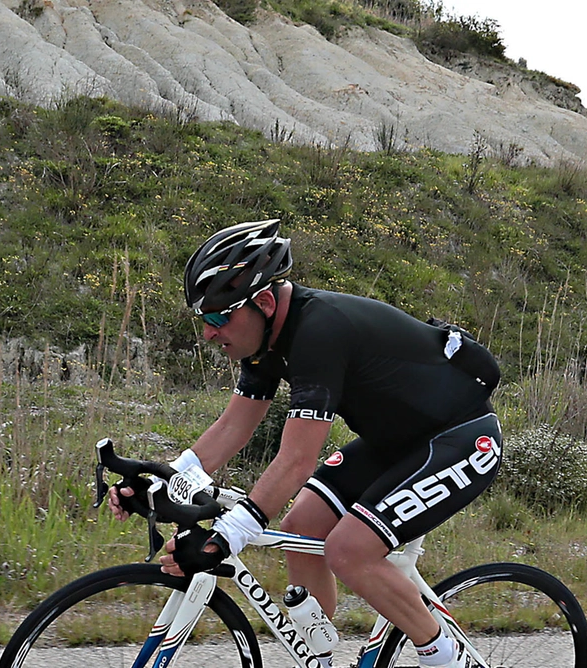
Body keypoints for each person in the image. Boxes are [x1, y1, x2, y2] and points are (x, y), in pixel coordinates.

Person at [110, 219, 502, 668]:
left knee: (348, 551)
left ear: (262, 301)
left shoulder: (319, 332)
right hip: (397, 443)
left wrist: (227, 537)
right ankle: (320, 657)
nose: (208, 333)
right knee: (301, 530)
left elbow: (297, 460)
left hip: (461, 440)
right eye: (204, 320)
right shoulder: (263, 341)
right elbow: (232, 428)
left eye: (219, 318)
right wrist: (166, 480)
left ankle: (447, 658)